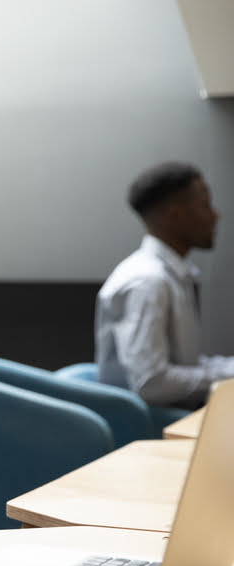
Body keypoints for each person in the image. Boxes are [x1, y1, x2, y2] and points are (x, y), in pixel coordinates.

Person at [95, 161, 231, 409]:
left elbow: (184, 365)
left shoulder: (172, 276)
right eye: (205, 205)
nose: (215, 215)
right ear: (175, 215)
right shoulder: (148, 282)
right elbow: (152, 383)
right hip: (146, 428)